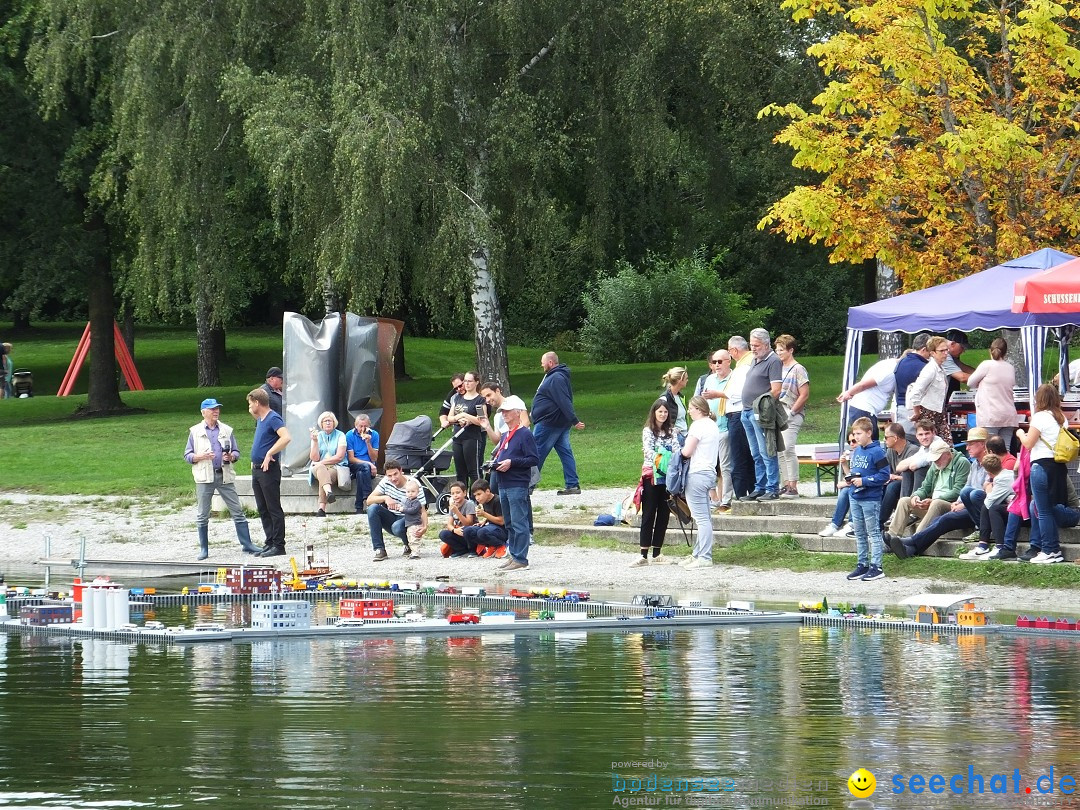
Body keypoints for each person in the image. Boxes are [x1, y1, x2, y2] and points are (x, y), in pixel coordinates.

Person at [184, 398, 261, 560]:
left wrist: (231, 456)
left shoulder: (226, 430)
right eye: (212, 409)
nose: (216, 411)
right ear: (203, 412)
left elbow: (237, 452)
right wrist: (200, 456)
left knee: (237, 511)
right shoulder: (195, 431)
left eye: (217, 408)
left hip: (224, 475)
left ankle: (247, 545)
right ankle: (204, 549)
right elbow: (188, 455)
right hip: (205, 477)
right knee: (203, 514)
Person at [1016, 383, 1070, 564]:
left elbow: (1029, 443)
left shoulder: (1039, 417)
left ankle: (1049, 549)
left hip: (1041, 466)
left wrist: (1020, 434)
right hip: (1058, 466)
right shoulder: (1061, 418)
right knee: (1051, 508)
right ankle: (1052, 549)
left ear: (1039, 399)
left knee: (1042, 510)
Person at [886, 436, 970, 540]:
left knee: (937, 503)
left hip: (951, 505)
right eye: (934, 459)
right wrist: (916, 496)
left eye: (938, 458)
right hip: (932, 504)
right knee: (904, 501)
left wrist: (933, 500)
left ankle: (915, 539)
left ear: (948, 454)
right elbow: (925, 487)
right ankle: (891, 537)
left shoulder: (962, 463)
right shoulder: (935, 465)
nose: (936, 462)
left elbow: (958, 491)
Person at [493, 395, 539, 571]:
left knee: (519, 522)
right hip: (504, 483)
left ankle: (521, 558)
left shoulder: (525, 434)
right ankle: (514, 555)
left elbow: (533, 458)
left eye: (507, 411)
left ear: (518, 413)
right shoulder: (506, 434)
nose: (503, 414)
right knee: (510, 522)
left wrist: (512, 463)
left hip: (517, 484)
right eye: (502, 411)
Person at [246, 388, 292, 557]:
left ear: (257, 402)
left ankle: (279, 545)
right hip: (257, 469)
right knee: (263, 508)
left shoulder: (273, 417)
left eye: (251, 403)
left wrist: (269, 453)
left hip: (268, 470)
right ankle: (270, 541)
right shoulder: (261, 419)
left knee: (273, 507)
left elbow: (286, 437)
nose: (249, 407)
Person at [845, 417, 891, 582]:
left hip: (870, 497)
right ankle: (862, 564)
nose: (856, 437)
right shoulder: (857, 450)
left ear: (869, 432)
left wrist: (864, 481)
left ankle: (876, 566)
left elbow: (884, 475)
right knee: (859, 532)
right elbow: (856, 470)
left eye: (859, 433)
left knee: (873, 532)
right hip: (855, 495)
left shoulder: (878, 452)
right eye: (854, 434)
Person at [633, 398, 678, 567]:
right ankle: (643, 553)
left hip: (667, 477)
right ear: (654, 413)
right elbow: (648, 450)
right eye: (660, 412)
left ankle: (657, 552)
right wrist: (663, 458)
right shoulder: (648, 431)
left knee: (664, 513)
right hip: (652, 475)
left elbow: (676, 449)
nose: (663, 415)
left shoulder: (671, 431)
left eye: (665, 412)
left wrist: (667, 458)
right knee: (649, 513)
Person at [532, 351, 584, 495]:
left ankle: (528, 484)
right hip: (558, 423)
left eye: (543, 362)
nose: (541, 364)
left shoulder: (556, 378)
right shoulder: (556, 376)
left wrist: (574, 420)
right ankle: (572, 484)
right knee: (565, 452)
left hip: (550, 423)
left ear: (550, 362)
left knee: (535, 452)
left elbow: (564, 401)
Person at [741, 328, 783, 500]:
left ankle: (772, 487)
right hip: (746, 411)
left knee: (766, 451)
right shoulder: (755, 359)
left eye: (756, 345)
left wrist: (760, 403)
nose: (753, 348)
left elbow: (776, 390)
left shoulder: (773, 361)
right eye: (751, 345)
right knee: (756, 453)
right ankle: (760, 486)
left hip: (759, 413)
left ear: (766, 345)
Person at [679, 396, 721, 569]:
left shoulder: (697, 426)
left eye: (690, 408)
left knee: (702, 518)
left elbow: (687, 451)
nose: (689, 411)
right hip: (709, 472)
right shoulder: (712, 425)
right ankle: (698, 553)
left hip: (697, 473)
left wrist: (678, 453)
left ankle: (704, 556)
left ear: (698, 409)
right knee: (704, 517)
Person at [478, 379, 530, 493]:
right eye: (485, 398)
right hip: (503, 454)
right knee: (494, 487)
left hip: (518, 452)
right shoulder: (497, 417)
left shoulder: (513, 400)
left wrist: (511, 441)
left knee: (518, 491)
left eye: (489, 395)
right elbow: (497, 441)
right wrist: (487, 425)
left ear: (497, 391)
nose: (487, 400)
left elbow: (525, 422)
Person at [968, 337, 1018, 452]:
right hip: (1008, 415)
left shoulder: (986, 365)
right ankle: (1006, 469)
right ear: (1005, 352)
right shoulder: (1010, 368)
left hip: (990, 415)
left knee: (990, 451)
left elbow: (970, 382)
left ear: (990, 351)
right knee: (1005, 450)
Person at [960, 453, 1015, 558]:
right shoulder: (1006, 473)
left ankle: (997, 546)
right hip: (1010, 505)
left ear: (988, 472)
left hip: (1017, 510)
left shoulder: (1001, 479)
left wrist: (988, 488)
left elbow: (988, 502)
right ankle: (983, 545)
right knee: (989, 506)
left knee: (990, 507)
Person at [774, 334, 809, 499]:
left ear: (791, 350)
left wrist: (793, 412)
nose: (778, 352)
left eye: (781, 350)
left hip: (791, 411)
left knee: (788, 447)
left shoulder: (798, 369)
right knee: (780, 450)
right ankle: (785, 484)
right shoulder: (777, 368)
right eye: (777, 349)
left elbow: (804, 394)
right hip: (778, 412)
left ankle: (793, 485)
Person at [700, 349, 733, 511]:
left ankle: (726, 500)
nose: (717, 365)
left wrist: (717, 395)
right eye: (714, 362)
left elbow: (736, 396)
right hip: (710, 428)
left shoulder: (734, 378)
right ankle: (712, 498)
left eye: (720, 361)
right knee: (708, 465)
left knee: (725, 466)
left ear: (729, 361)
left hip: (726, 426)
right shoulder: (710, 379)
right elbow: (703, 400)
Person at [724, 337, 757, 501]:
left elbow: (739, 393)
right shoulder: (748, 363)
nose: (730, 354)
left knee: (739, 456)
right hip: (739, 413)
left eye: (729, 351)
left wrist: (718, 394)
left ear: (735, 350)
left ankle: (741, 494)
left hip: (738, 414)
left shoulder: (744, 366)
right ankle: (749, 490)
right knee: (747, 454)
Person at [366, 458, 418, 561]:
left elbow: (423, 510)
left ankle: (409, 544)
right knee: (372, 508)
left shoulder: (413, 484)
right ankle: (379, 549)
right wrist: (385, 498)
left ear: (401, 471)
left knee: (397, 527)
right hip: (392, 516)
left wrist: (424, 527)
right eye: (389, 475)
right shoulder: (385, 482)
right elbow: (369, 500)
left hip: (409, 518)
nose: (393, 478)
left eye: (395, 474)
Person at [836, 356, 897, 442]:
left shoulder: (890, 365)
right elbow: (863, 385)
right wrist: (849, 393)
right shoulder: (889, 371)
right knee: (871, 444)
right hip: (864, 410)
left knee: (869, 444)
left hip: (866, 410)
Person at [907, 335, 952, 444]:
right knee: (932, 446)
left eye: (947, 350)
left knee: (947, 446)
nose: (945, 353)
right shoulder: (930, 370)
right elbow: (915, 393)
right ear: (932, 353)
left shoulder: (940, 368)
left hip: (939, 413)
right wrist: (917, 413)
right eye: (942, 351)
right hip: (928, 414)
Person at [447, 370, 487, 488]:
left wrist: (466, 416)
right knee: (460, 471)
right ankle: (462, 498)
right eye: (465, 381)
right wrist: (458, 418)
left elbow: (481, 420)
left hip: (472, 437)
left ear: (476, 382)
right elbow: (450, 417)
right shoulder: (458, 398)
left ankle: (477, 497)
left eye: (470, 381)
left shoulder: (479, 400)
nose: (467, 384)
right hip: (458, 436)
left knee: (473, 470)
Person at [817, 431, 858, 538]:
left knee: (849, 491)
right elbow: (851, 476)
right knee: (846, 491)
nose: (852, 444)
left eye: (854, 441)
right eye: (850, 442)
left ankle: (851, 524)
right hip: (855, 484)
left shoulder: (865, 454)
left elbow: (859, 477)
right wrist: (844, 464)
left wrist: (845, 483)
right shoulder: (854, 455)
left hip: (864, 486)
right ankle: (835, 524)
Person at [880, 422, 918, 532]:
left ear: (895, 438)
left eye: (886, 437)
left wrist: (895, 477)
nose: (884, 439)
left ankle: (880, 522)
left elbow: (914, 478)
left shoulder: (913, 450)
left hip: (910, 486)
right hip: (895, 482)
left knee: (892, 487)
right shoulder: (890, 451)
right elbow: (885, 471)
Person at [307, 411, 347, 516]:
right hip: (319, 467)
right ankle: (329, 493)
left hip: (335, 467)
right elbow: (314, 458)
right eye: (325, 421)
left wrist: (321, 462)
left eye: (330, 421)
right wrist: (315, 441)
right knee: (321, 469)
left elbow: (339, 456)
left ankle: (321, 509)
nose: (328, 423)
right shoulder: (318, 435)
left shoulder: (340, 435)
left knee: (323, 477)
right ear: (321, 424)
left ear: (334, 423)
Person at [893, 333, 930, 435]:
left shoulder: (901, 362)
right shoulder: (924, 367)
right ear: (923, 350)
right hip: (914, 410)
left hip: (900, 408)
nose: (931, 354)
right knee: (915, 443)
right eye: (930, 351)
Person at [461, 479, 507, 557]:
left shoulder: (497, 500)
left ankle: (501, 546)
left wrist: (484, 514)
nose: (477, 498)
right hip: (491, 527)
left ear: (487, 491)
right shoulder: (484, 501)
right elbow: (492, 514)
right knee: (467, 531)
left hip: (502, 530)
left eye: (479, 494)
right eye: (475, 495)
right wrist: (484, 521)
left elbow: (501, 521)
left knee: (482, 532)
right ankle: (491, 546)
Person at [346, 414, 379, 512]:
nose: (363, 429)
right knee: (364, 467)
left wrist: (368, 443)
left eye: (366, 426)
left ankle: (359, 506)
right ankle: (368, 498)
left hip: (367, 469)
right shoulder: (349, 435)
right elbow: (351, 458)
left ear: (369, 425)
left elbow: (374, 457)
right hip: (355, 465)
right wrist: (369, 464)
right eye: (361, 426)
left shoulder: (375, 435)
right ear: (356, 426)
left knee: (361, 474)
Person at [437, 481, 478, 557]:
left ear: (464, 493)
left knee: (467, 530)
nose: (455, 495)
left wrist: (457, 511)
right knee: (443, 534)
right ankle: (460, 549)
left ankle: (472, 550)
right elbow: (449, 524)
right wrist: (454, 530)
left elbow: (468, 523)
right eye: (453, 494)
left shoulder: (469, 504)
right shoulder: (452, 506)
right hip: (459, 531)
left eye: (458, 493)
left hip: (470, 533)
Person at [943, 329, 975, 397]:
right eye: (962, 347)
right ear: (953, 344)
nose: (963, 351)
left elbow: (963, 367)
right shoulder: (944, 355)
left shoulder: (951, 356)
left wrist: (983, 373)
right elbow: (962, 377)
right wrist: (985, 379)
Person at [660, 367, 690, 437]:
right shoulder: (665, 399)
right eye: (686, 378)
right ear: (680, 380)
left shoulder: (680, 397)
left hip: (684, 435)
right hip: (674, 438)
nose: (688, 380)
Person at [401, 479, 427, 557]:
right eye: (408, 492)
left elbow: (413, 510)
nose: (410, 494)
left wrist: (404, 509)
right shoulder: (407, 501)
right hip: (409, 523)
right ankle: (413, 551)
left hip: (415, 523)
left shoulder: (417, 502)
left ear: (417, 492)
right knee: (410, 538)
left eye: (413, 491)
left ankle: (416, 553)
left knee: (414, 538)